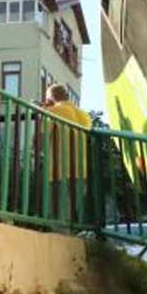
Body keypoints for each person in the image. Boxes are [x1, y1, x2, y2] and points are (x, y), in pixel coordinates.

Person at [43, 83, 92, 221]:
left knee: (59, 218)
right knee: (76, 217)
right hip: (81, 172)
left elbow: (39, 141)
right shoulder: (84, 115)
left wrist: (44, 113)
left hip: (59, 172)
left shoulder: (54, 111)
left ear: (50, 98)